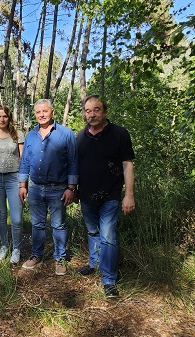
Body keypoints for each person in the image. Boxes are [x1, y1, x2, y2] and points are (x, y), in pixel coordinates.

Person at [76, 95, 135, 297]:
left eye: (96, 110)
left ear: (105, 111)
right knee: (92, 231)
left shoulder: (119, 134)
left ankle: (109, 279)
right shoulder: (80, 136)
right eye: (88, 110)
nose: (91, 114)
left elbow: (127, 165)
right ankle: (94, 262)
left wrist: (129, 195)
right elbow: (76, 166)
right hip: (86, 194)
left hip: (111, 194)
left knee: (108, 235)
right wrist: (73, 190)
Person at [18, 99, 78, 276]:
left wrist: (71, 188)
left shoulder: (66, 134)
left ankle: (60, 257)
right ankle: (37, 255)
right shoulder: (30, 135)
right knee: (37, 224)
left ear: (52, 112)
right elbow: (25, 162)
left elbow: (74, 162)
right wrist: (23, 185)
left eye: (45, 111)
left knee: (58, 225)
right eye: (38, 112)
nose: (41, 115)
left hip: (59, 188)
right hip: (36, 188)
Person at [0, 105, 24, 263]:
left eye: (5, 116)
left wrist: (23, 183)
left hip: (14, 178)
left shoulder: (18, 135)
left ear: (9, 118)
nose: (2, 119)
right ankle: (4, 245)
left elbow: (23, 159)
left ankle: (16, 248)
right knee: (1, 216)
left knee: (16, 218)